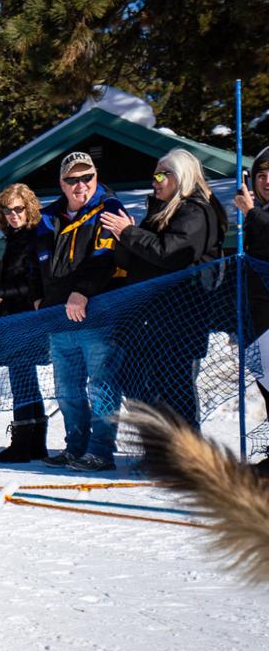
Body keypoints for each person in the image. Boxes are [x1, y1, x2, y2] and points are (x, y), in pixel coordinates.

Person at [101, 148, 228, 427]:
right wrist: (124, 238)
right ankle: (160, 443)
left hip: (180, 320)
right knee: (134, 379)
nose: (154, 182)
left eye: (161, 176)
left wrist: (129, 233)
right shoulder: (160, 211)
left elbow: (171, 253)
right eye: (154, 176)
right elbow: (137, 259)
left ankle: (185, 450)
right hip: (150, 319)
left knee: (175, 393)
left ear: (180, 176)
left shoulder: (196, 211)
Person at [33, 151, 128, 472]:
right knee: (66, 391)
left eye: (87, 177)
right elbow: (37, 264)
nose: (81, 185)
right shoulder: (47, 218)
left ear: (96, 177)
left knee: (101, 387)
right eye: (72, 179)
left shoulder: (109, 209)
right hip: (59, 320)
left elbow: (106, 259)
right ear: (62, 183)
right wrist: (38, 297)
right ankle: (75, 447)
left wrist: (83, 291)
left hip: (98, 318)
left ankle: (100, 451)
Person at [0, 183, 48, 463]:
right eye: (7, 210)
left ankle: (23, 444)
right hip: (15, 318)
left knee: (21, 380)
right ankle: (35, 443)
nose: (13, 215)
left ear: (29, 208)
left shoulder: (32, 236)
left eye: (18, 209)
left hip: (25, 318)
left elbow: (34, 282)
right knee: (25, 380)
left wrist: (1, 291)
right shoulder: (14, 237)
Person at [235, 146, 269, 413]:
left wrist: (251, 213)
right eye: (261, 175)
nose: (267, 181)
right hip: (258, 317)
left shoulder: (255, 214)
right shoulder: (258, 212)